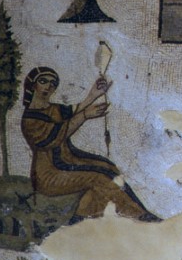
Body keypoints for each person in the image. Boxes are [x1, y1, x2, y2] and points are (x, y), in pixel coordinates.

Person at [20, 66, 158, 222]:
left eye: (52, 83)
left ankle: (80, 217)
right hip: (49, 175)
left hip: (65, 163)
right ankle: (139, 215)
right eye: (43, 81)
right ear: (32, 85)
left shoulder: (54, 109)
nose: (48, 87)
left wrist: (94, 94)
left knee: (107, 166)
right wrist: (85, 115)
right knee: (99, 177)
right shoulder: (30, 119)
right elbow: (54, 137)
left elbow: (76, 109)